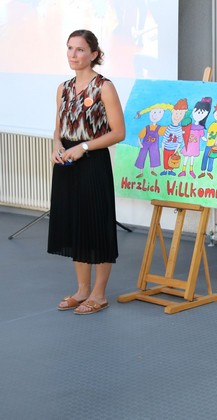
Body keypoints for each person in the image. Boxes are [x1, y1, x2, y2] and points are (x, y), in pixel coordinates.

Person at [49, 29, 125, 315]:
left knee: (96, 225)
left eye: (80, 49)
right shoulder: (63, 88)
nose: (73, 54)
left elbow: (119, 132)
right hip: (66, 163)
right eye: (69, 48)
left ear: (94, 54)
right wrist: (56, 145)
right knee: (74, 224)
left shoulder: (104, 86)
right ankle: (82, 290)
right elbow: (58, 127)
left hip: (92, 160)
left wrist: (83, 147)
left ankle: (99, 293)